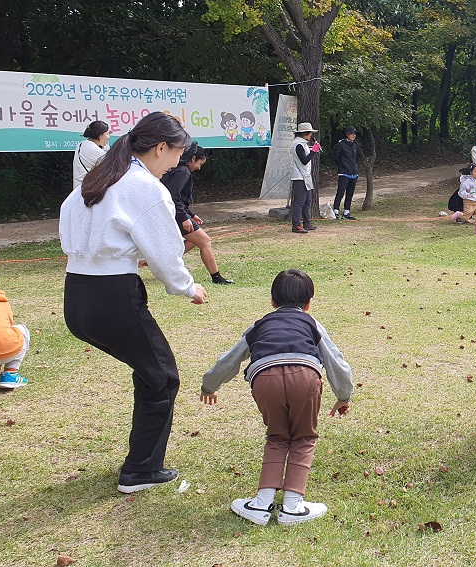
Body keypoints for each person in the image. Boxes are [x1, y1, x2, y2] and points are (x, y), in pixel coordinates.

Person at [59, 112, 208, 493]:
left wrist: (122, 255)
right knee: (162, 377)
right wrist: (189, 288)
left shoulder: (99, 179)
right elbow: (166, 252)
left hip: (77, 297)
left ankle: (140, 465)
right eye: (177, 153)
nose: (177, 162)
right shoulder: (144, 185)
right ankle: (140, 471)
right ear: (161, 148)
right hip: (113, 299)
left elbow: (86, 233)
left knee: (150, 372)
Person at [200, 269, 352, 526]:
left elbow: (230, 359)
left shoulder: (259, 326)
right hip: (306, 378)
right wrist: (344, 395)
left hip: (264, 380)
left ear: (272, 301)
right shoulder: (312, 324)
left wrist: (209, 386)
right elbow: (335, 361)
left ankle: (261, 504)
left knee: (277, 436)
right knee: (303, 437)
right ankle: (293, 506)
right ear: (309, 303)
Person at [160, 144, 233, 285]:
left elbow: (178, 198)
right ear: (193, 159)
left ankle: (160, 260)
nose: (199, 167)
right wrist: (184, 218)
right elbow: (174, 197)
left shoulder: (176, 170)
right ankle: (217, 278)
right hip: (175, 214)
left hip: (174, 212)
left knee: (195, 241)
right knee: (205, 241)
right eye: (200, 163)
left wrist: (191, 215)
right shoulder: (183, 172)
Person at [0, 253, 30, 389]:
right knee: (21, 330)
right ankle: (10, 374)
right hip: (8, 349)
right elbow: (5, 329)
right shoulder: (1, 300)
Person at [290, 123, 322, 233]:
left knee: (308, 200)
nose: (311, 136)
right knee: (300, 201)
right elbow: (304, 160)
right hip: (299, 176)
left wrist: (312, 149)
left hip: (305, 176)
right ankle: (296, 225)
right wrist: (313, 151)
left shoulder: (302, 144)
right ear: (305, 133)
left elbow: (305, 154)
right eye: (310, 133)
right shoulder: (298, 144)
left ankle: (307, 223)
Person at [72, 120, 110, 190]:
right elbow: (112, 168)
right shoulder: (93, 149)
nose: (109, 137)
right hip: (90, 191)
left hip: (81, 189)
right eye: (107, 134)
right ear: (99, 135)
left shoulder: (82, 144)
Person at [333, 127, 360, 221]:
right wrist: (342, 166)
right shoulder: (341, 144)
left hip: (353, 172)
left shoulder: (354, 145)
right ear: (347, 134)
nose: (354, 135)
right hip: (344, 172)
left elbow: (355, 158)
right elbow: (336, 157)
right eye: (352, 133)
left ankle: (346, 212)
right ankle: (335, 211)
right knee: (340, 192)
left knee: (350, 193)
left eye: (355, 134)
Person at [450, 164, 476, 235]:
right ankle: (458, 214)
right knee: (466, 216)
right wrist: (465, 195)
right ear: (471, 172)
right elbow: (461, 191)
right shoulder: (467, 181)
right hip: (468, 202)